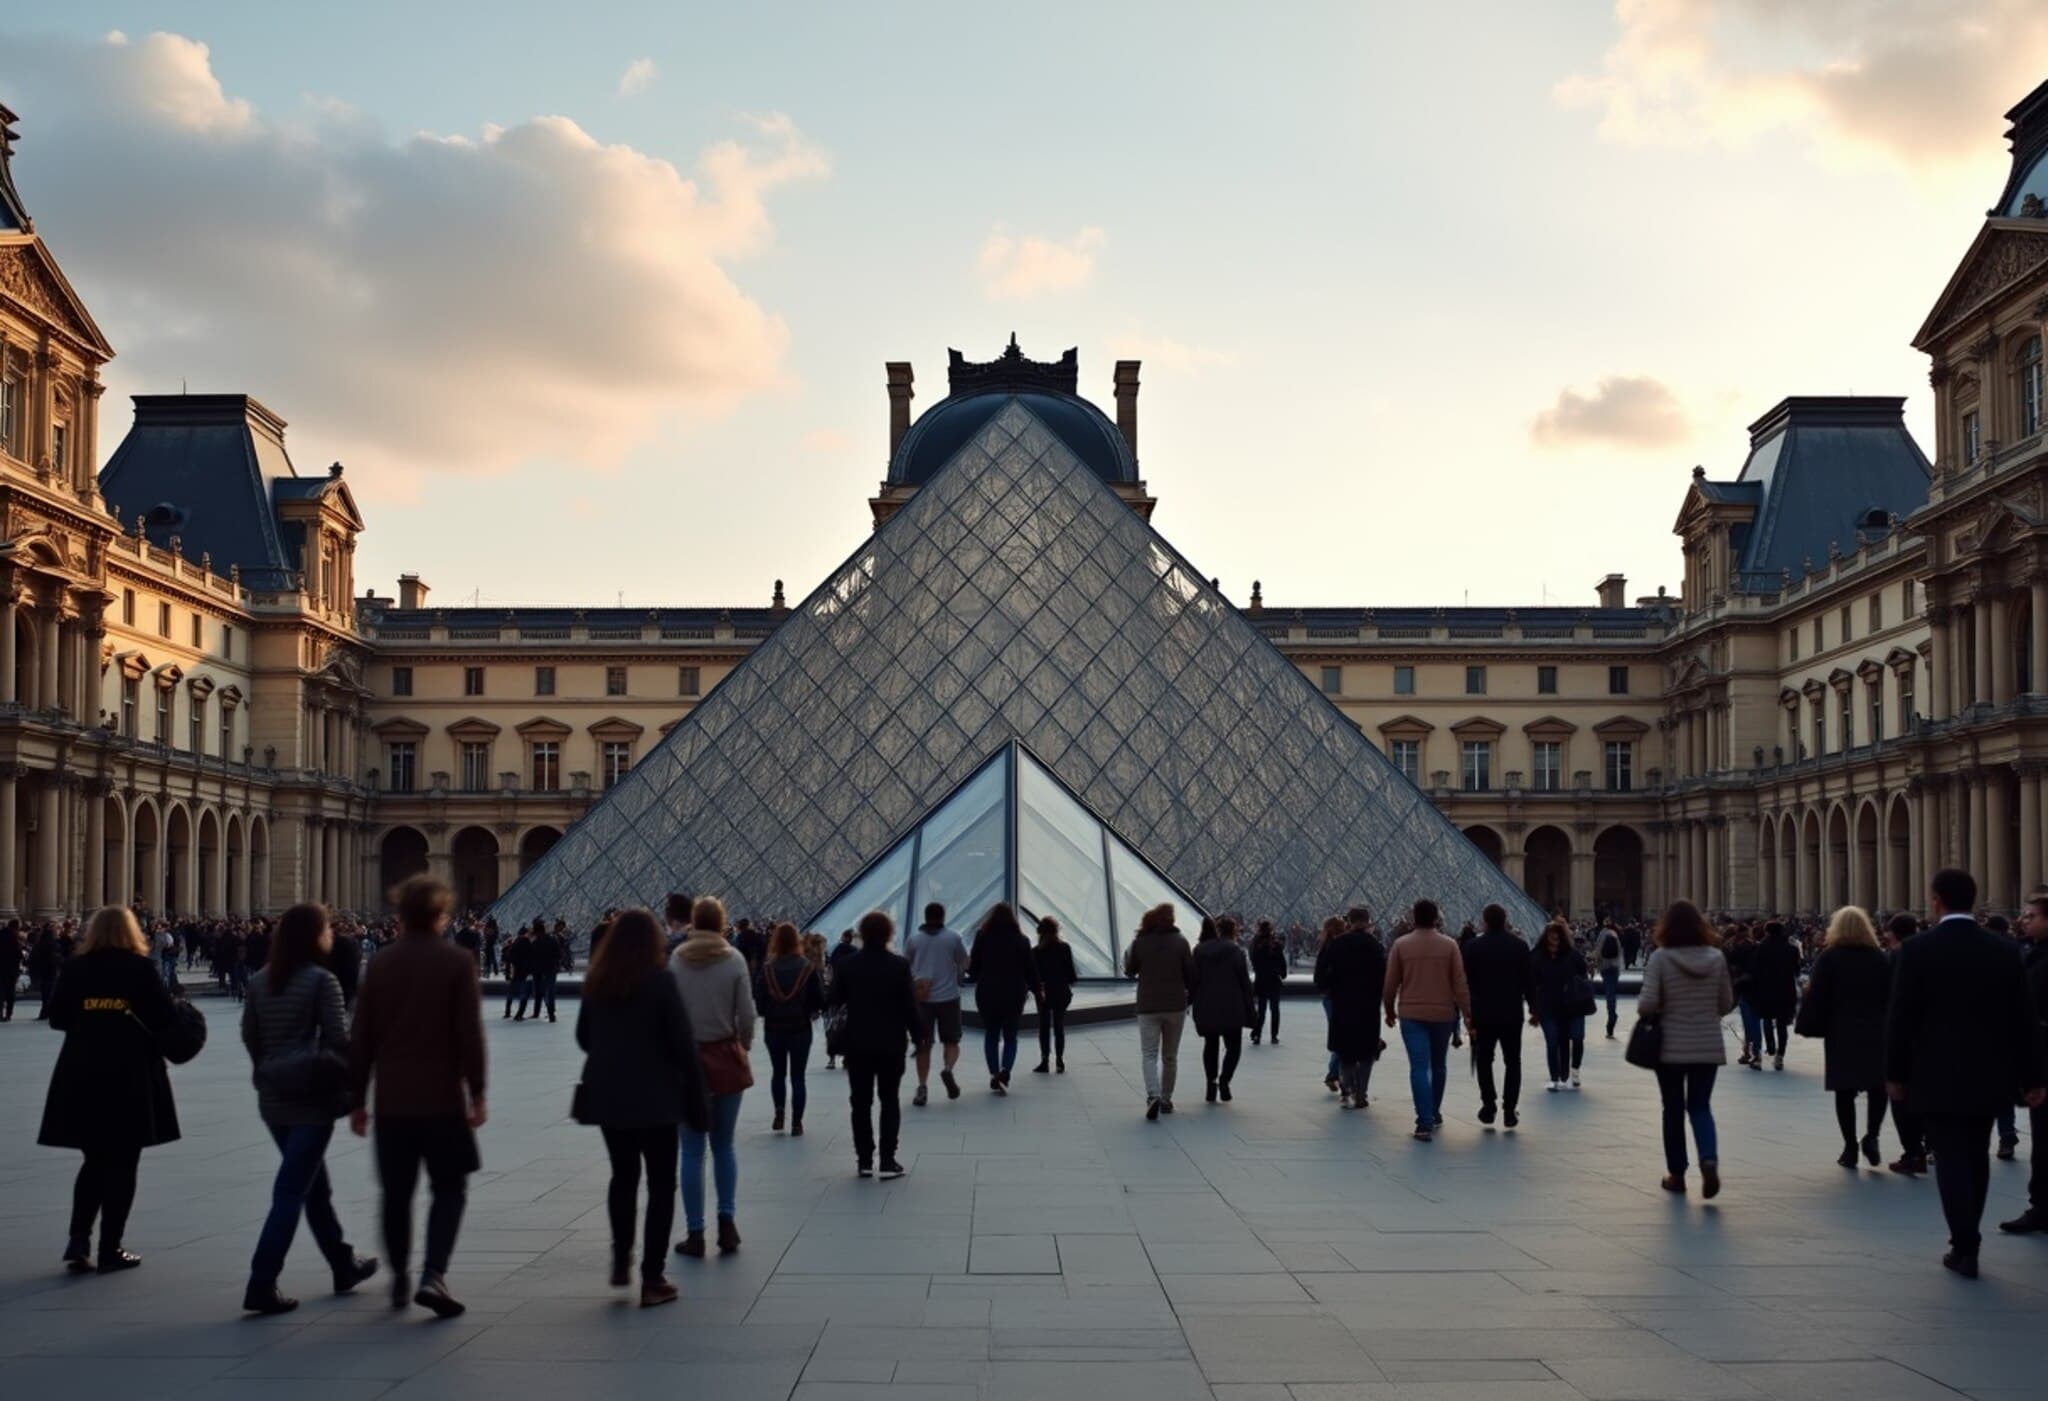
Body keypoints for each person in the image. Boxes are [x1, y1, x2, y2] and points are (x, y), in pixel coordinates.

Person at [1885, 868, 2048, 1276]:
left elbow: (1901, 1019)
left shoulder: (1917, 950)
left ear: (1937, 900)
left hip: (1934, 1072)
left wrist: (1895, 1073)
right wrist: (2033, 1077)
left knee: (1950, 1155)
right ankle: (1968, 1236)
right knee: (1976, 1154)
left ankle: (1965, 1244)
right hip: (1990, 1071)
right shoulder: (2003, 949)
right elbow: (2024, 1019)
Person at [347, 875, 485, 1318]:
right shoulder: (457, 961)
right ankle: (434, 1274)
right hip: (443, 1099)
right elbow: (470, 1035)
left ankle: (400, 1277)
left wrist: (357, 1099)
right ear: (441, 915)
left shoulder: (381, 964)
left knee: (396, 1193)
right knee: (450, 1187)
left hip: (392, 1101)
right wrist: (478, 1092)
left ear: (400, 915)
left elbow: (361, 1038)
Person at [241, 903, 379, 1314]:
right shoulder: (322, 980)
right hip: (312, 1097)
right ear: (315, 936)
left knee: (313, 1184)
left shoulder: (260, 980)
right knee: (291, 1190)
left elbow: (250, 1036)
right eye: (326, 930)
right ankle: (261, 1282)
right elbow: (339, 1039)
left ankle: (342, 1264)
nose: (331, 935)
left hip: (273, 1097)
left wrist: (270, 1070)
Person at [38, 907, 183, 1274]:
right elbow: (164, 1018)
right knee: (124, 1162)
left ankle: (78, 1238)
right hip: (130, 1074)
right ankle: (110, 1247)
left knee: (94, 1160)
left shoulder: (76, 968)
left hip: (82, 1072)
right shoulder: (140, 968)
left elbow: (57, 1018)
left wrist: (91, 1021)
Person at [576, 907, 709, 1307]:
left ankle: (621, 1258)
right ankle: (652, 1277)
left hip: (609, 1095)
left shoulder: (598, 981)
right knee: (661, 1185)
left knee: (623, 1177)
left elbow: (584, 1037)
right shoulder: (661, 980)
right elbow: (683, 1045)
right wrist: (697, 1099)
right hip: (657, 1097)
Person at [670, 895, 755, 1259]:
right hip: (724, 1057)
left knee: (691, 1151)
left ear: (693, 921)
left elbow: (668, 1014)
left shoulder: (677, 960)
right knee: (724, 1146)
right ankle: (727, 1222)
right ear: (721, 922)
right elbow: (747, 1015)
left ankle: (695, 1232)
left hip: (687, 1062)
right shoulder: (734, 959)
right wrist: (743, 1045)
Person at [1636, 899, 1734, 1198]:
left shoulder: (1660, 959)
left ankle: (1677, 1175)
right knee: (1701, 1106)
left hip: (1671, 1046)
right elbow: (1726, 1004)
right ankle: (1709, 1159)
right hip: (1707, 1045)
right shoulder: (1716, 958)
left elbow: (1646, 1005)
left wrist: (1664, 1006)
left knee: (1673, 1109)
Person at [1795, 906, 1892, 1170]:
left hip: (1842, 1029)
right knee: (1877, 1087)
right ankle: (1872, 1135)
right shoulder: (1878, 957)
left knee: (1844, 1090)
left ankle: (1849, 1147)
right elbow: (1890, 993)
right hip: (1876, 1029)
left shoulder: (1829, 957)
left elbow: (1818, 994)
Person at [831, 910, 922, 1178]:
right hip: (891, 1042)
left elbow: (834, 998)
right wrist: (919, 1036)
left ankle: (864, 1159)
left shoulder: (847, 965)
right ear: (888, 934)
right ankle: (887, 1160)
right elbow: (909, 1007)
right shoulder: (899, 965)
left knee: (860, 1102)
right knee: (889, 1099)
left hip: (857, 1042)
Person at [1382, 899, 1470, 1141]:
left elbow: (1390, 983)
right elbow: (1460, 985)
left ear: (1413, 918)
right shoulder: (1450, 945)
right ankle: (1434, 1111)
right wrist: (1468, 1015)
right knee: (1439, 1065)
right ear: (1436, 918)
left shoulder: (1401, 945)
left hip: (1411, 1014)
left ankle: (1424, 1122)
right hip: (1443, 1014)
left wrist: (1389, 1009)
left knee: (1419, 1067)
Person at [1462, 902, 1536, 1130]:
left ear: (1485, 921)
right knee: (1513, 1061)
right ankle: (1509, 1110)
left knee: (1484, 1060)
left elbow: (1466, 983)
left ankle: (1489, 1104)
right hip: (1511, 1012)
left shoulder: (1473, 947)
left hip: (1482, 1012)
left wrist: (1465, 1012)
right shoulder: (1519, 946)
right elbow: (1528, 982)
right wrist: (1534, 1008)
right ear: (1505, 920)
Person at [2001, 893, 2048, 1234]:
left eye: (2031, 915)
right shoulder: (2034, 954)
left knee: (2044, 1139)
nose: (2023, 920)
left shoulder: (2039, 959)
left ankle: (2042, 1208)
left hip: (2044, 1062)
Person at [1124, 902, 1196, 1120]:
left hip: (1148, 1006)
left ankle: (1152, 1094)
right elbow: (1191, 975)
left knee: (1149, 1054)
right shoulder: (1181, 942)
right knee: (1170, 1056)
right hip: (1175, 1006)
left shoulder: (1141, 942)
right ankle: (1166, 1099)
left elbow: (1130, 970)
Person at [754, 921, 823, 1133]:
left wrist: (767, 1011)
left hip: (774, 1028)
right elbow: (818, 1000)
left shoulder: (767, 969)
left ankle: (779, 1112)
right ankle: (797, 1122)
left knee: (778, 1073)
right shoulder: (807, 968)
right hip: (800, 1027)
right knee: (798, 1076)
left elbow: (759, 1000)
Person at [1317, 907, 1387, 1111]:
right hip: (1368, 1005)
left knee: (1345, 1050)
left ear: (1349, 921)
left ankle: (1346, 1090)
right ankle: (1361, 1093)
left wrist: (1331, 988)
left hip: (1343, 1003)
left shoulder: (1337, 944)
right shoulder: (1375, 946)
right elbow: (1384, 976)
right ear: (1368, 921)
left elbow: (1320, 974)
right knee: (1366, 1051)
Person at [967, 903, 1042, 1095]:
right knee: (1010, 1037)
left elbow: (974, 969)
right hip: (1014, 994)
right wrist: (1038, 992)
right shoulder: (1022, 941)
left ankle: (994, 1073)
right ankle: (1005, 1070)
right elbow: (1031, 972)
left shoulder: (982, 937)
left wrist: (968, 976)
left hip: (988, 994)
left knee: (991, 1034)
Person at [906, 904, 969, 1108]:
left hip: (923, 1000)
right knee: (951, 1041)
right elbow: (964, 962)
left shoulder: (914, 940)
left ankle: (922, 1087)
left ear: (925, 917)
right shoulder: (953, 938)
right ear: (943, 916)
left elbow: (906, 965)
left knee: (924, 1045)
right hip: (949, 997)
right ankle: (948, 1069)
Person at [1192, 916, 1255, 1103]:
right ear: (1233, 931)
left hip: (1206, 1004)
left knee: (1210, 1045)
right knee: (1233, 1047)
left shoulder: (1199, 950)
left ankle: (1210, 1085)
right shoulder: (1236, 951)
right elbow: (1244, 982)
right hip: (1232, 1005)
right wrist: (1250, 1008)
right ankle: (1225, 1080)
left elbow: (1193, 979)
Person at [1530, 921, 1587, 1091]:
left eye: (1557, 934)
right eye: (1551, 934)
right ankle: (1554, 1078)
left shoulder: (1572, 955)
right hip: (1547, 1005)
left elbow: (1583, 973)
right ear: (1546, 937)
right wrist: (1533, 1007)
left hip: (1570, 1005)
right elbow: (1531, 981)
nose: (1554, 937)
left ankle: (1571, 1072)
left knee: (1572, 1039)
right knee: (1552, 1041)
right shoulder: (1537, 956)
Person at [1751, 921, 1802, 1070]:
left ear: (1767, 932)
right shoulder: (1792, 949)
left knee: (1766, 1019)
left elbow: (1755, 969)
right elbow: (1796, 970)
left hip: (1766, 989)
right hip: (1785, 990)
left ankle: (1770, 1045)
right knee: (1782, 1023)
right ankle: (1780, 1056)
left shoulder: (1760, 948)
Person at [1032, 916, 1077, 1074]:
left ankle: (1044, 1061)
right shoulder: (1064, 948)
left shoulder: (1036, 952)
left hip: (1044, 993)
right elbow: (1071, 975)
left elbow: (1033, 976)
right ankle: (1059, 1060)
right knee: (1059, 1026)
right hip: (1061, 992)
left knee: (1044, 1027)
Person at [1249, 919, 1286, 1045]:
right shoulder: (1276, 944)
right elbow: (1281, 961)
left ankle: (1257, 1034)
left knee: (1261, 1010)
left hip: (1261, 980)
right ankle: (1274, 1035)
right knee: (1275, 1009)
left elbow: (1253, 960)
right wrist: (1282, 973)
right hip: (1274, 980)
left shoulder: (1256, 945)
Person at [528, 918, 563, 1024]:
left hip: (538, 970)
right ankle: (551, 1013)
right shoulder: (553, 940)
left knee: (538, 991)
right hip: (551, 969)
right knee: (550, 991)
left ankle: (536, 1012)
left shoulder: (534, 943)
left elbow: (530, 957)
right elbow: (559, 954)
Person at [1594, 919, 1624, 1038]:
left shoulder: (1602, 934)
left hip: (1605, 967)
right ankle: (1612, 1013)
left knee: (1609, 993)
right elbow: (1620, 952)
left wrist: (1597, 964)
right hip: (1615, 967)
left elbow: (1598, 951)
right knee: (1612, 992)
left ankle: (1612, 1015)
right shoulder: (1616, 935)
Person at [502, 925, 533, 1021]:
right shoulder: (527, 943)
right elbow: (531, 957)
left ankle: (507, 1012)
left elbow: (509, 956)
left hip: (515, 971)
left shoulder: (515, 943)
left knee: (511, 992)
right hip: (524, 971)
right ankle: (519, 1014)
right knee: (524, 993)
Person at [0, 919, 22, 1021]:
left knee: (1, 991)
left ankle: (0, 1013)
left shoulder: (1, 935)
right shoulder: (14, 938)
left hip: (1, 968)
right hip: (11, 969)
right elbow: (18, 955)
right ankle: (8, 1013)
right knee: (10, 992)